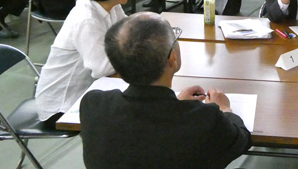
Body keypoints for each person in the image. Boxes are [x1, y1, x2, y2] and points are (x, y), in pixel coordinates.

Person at [80, 12, 251, 168]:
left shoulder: (93, 105)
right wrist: (224, 109)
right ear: (172, 57)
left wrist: (177, 104)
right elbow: (241, 140)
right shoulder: (204, 119)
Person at [35, 0, 134, 128]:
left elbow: (128, 30)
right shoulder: (86, 19)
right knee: (133, 113)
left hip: (90, 89)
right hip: (62, 105)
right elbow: (102, 68)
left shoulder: (109, 4)